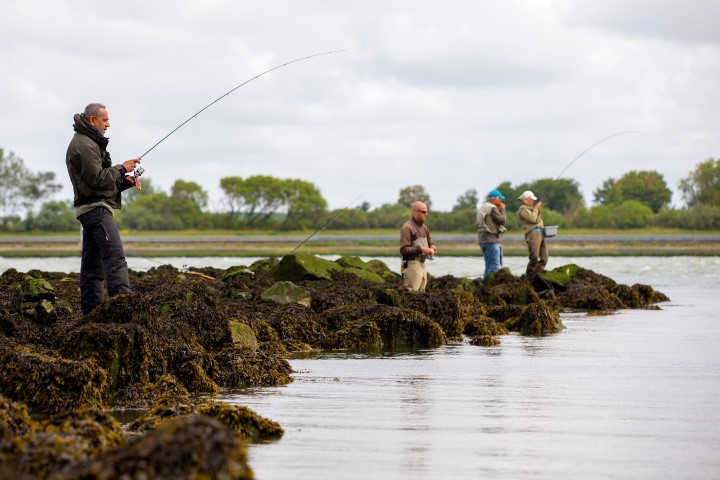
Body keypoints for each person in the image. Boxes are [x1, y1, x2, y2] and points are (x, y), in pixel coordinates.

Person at [66, 103, 142, 315]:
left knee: (92, 267)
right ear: (92, 120)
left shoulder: (89, 142)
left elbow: (97, 183)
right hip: (96, 212)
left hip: (91, 210)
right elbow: (98, 179)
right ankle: (124, 309)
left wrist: (124, 181)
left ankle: (92, 314)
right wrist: (121, 168)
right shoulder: (84, 145)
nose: (108, 124)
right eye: (105, 120)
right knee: (115, 257)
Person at [399, 201, 436, 292]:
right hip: (411, 264)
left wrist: (432, 249)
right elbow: (404, 250)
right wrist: (422, 249)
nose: (426, 214)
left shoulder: (425, 228)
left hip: (422, 264)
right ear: (415, 211)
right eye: (424, 212)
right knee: (412, 293)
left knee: (421, 293)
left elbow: (431, 243)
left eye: (426, 212)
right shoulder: (407, 227)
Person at [517, 190, 548, 278]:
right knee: (534, 257)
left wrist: (536, 210)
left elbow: (537, 219)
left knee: (544, 257)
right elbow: (533, 219)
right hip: (533, 234)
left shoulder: (531, 209)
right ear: (526, 199)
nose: (533, 201)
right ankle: (529, 276)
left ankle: (537, 275)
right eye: (531, 199)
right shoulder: (523, 209)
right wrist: (536, 209)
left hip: (541, 233)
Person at [477, 189, 507, 279]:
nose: (501, 200)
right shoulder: (492, 208)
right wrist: (502, 209)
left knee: (488, 266)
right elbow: (502, 220)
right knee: (495, 266)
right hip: (491, 240)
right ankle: (489, 286)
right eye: (500, 198)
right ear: (495, 199)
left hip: (483, 239)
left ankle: (484, 285)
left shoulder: (483, 207)